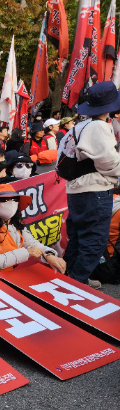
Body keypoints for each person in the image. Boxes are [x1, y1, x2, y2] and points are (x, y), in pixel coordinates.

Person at [60, 81, 120, 288]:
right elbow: (110, 162)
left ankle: (68, 275)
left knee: (77, 236)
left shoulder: (77, 127)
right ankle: (77, 282)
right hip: (94, 190)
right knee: (94, 240)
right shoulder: (98, 126)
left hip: (76, 190)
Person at [0, 184, 65, 273]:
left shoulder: (15, 225)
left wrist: (49, 255)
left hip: (5, 276)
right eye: (4, 200)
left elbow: (32, 244)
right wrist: (27, 252)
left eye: (15, 199)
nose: (11, 203)